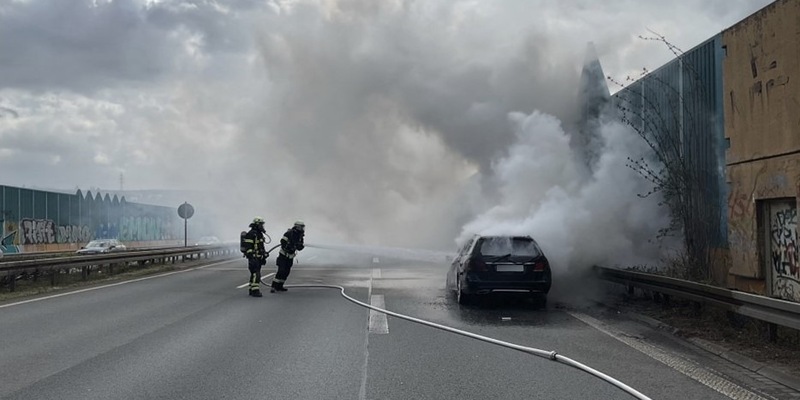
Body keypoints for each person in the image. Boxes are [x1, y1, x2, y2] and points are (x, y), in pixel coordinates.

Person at [271, 220, 305, 293]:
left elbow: (300, 246)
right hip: (283, 255)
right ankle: (273, 287)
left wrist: (300, 246)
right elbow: (283, 241)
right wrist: (288, 247)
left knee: (286, 272)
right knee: (281, 270)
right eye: (301, 227)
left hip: (290, 256)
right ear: (297, 226)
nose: (302, 228)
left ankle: (280, 286)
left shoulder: (300, 236)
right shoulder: (289, 233)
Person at [242, 217, 268, 297]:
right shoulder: (251, 234)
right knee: (256, 274)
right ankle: (255, 291)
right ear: (257, 224)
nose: (262, 226)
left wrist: (264, 254)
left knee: (254, 274)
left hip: (258, 258)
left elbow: (260, 246)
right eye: (261, 224)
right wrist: (251, 257)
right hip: (253, 258)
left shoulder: (259, 234)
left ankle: (251, 289)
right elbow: (248, 246)